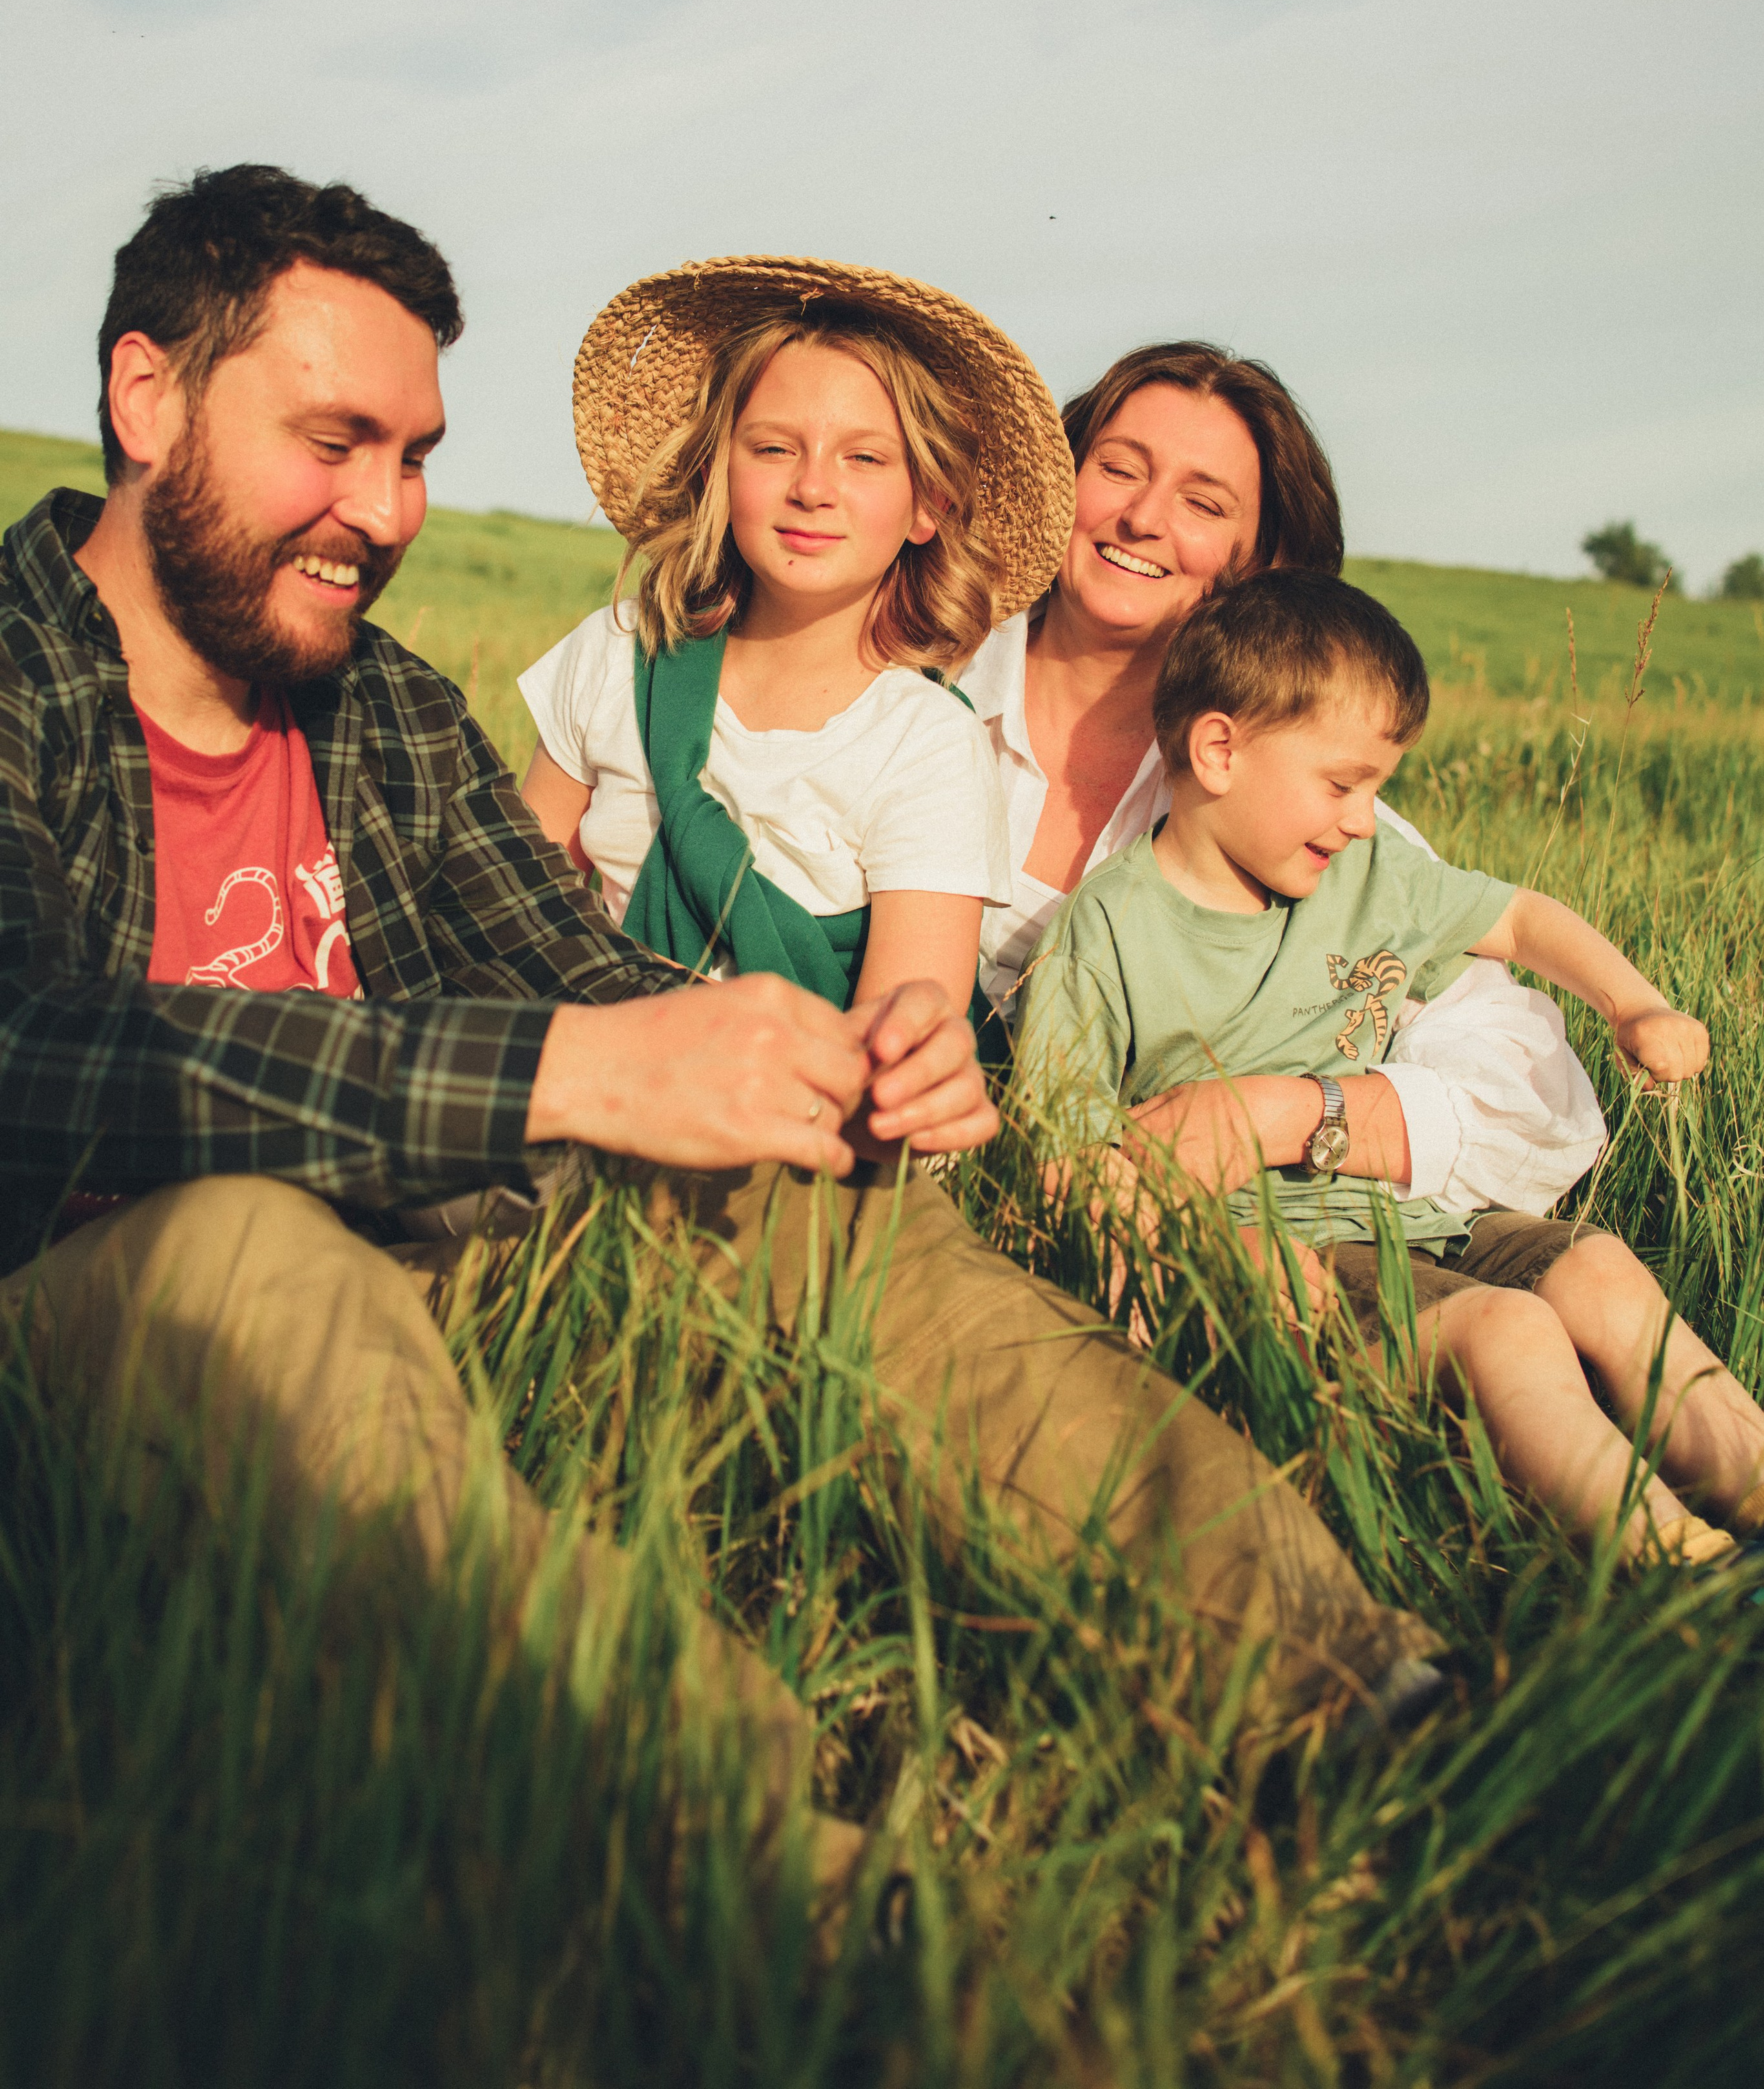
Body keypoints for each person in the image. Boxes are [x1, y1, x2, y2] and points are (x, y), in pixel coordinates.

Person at [0, 167, 1448, 1924]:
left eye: (414, 454)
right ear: (147, 397)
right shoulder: (21, 675)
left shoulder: (372, 705)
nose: (383, 511)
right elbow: (35, 1041)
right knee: (245, 1249)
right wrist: (562, 1077)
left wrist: (809, 1071)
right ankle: (757, 1872)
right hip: (99, 1277)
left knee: (783, 1179)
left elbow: (553, 960)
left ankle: (1336, 1679)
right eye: (334, 440)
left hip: (427, 1226)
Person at [1014, 571, 1764, 1567]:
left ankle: (1750, 1486)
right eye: (1343, 784)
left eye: (1378, 788)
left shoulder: (1366, 876)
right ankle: (1678, 1566)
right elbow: (1062, 1156)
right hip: (1282, 1257)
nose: (1366, 818)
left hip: (1411, 1214)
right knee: (1506, 1332)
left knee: (1597, 1266)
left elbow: (1518, 918)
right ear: (1220, 750)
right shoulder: (1107, 933)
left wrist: (1635, 1003)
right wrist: (1195, 1278)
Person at [954, 338, 1606, 1216]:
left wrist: (1286, 1115)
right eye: (1117, 469)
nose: (1144, 517)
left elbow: (1546, 1112)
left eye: (1202, 502)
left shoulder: (1302, 824)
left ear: (1261, 564)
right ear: (1056, 485)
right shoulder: (910, 700)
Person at [517, 258, 1060, 1025]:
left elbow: (904, 1029)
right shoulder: (615, 655)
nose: (812, 488)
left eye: (864, 458)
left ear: (926, 507)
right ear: (716, 473)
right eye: (774, 448)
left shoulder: (927, 745)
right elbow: (509, 905)